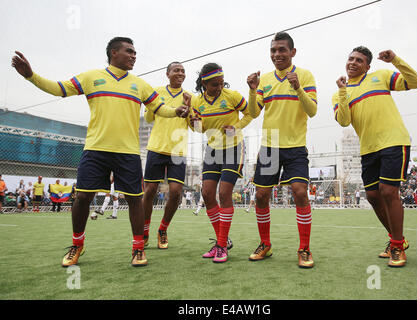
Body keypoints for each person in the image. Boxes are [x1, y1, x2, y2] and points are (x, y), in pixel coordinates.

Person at [12, 37, 189, 268]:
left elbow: (160, 108)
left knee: (135, 199)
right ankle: (77, 244)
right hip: (95, 149)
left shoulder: (140, 85)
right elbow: (59, 89)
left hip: (128, 152)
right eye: (129, 51)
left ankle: (137, 248)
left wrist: (176, 111)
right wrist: (30, 75)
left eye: (135, 52)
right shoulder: (91, 77)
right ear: (114, 53)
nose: (134, 56)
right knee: (83, 197)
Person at [333, 46, 417, 267]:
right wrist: (343, 92)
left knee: (389, 191)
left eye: (359, 60)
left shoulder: (381, 76)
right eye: (350, 58)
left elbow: (416, 82)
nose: (353, 63)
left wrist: (395, 60)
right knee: (373, 197)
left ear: (368, 66)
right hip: (368, 149)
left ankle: (397, 246)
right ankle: (398, 239)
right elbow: (344, 121)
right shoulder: (339, 93)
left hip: (394, 141)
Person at [247, 31, 318, 268]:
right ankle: (265, 245)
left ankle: (304, 248)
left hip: (296, 146)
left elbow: (313, 110)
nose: (277, 55)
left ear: (292, 52)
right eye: (273, 50)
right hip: (270, 146)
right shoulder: (265, 79)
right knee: (261, 196)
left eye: (281, 50)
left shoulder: (305, 75)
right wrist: (252, 88)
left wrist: (298, 88)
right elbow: (254, 112)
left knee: (300, 192)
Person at [186, 62, 252, 263]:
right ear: (204, 83)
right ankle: (223, 241)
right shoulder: (197, 101)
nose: (219, 87)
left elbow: (250, 113)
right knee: (206, 194)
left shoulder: (232, 96)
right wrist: (190, 112)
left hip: (234, 149)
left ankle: (222, 245)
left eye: (221, 83)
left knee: (224, 193)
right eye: (215, 84)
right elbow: (198, 128)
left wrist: (237, 126)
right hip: (212, 150)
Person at [141, 62, 193, 250]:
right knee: (150, 191)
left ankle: (163, 229)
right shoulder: (156, 92)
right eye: (176, 70)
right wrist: (152, 106)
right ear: (167, 74)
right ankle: (144, 230)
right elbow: (148, 119)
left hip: (178, 151)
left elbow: (198, 127)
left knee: (176, 193)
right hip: (156, 148)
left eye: (183, 71)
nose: (180, 73)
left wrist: (190, 109)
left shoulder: (190, 97)